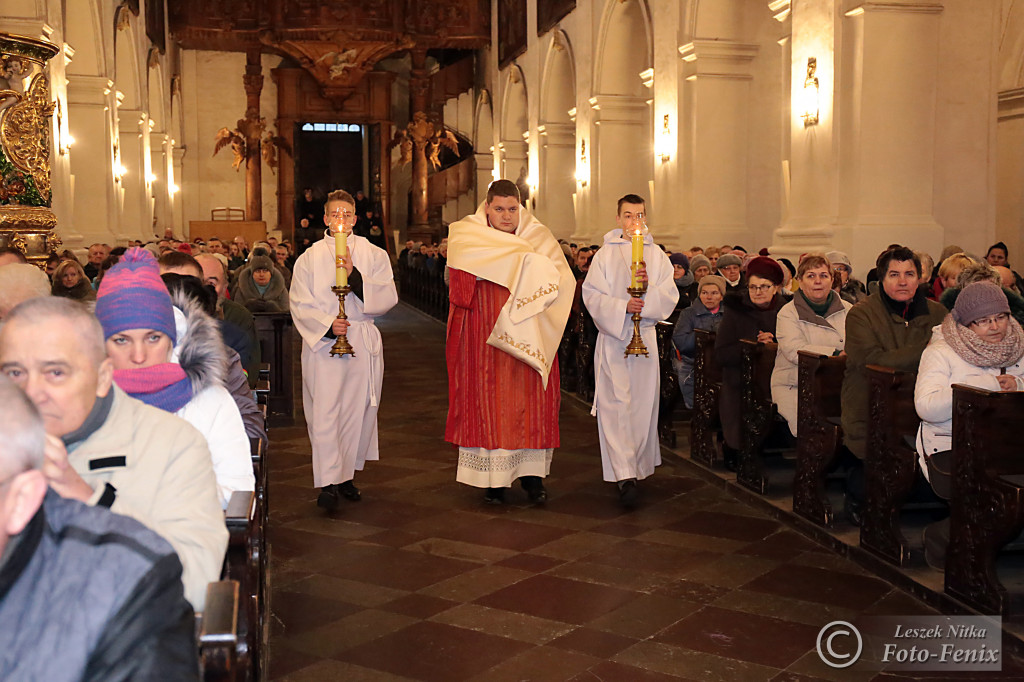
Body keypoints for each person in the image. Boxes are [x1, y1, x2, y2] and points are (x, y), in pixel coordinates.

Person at [0, 296, 226, 609]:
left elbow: (197, 584)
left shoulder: (172, 444)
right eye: (14, 374)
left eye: (55, 373)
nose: (31, 393)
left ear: (102, 377)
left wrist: (86, 497)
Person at [0, 376, 198, 681]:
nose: (138, 354)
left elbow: (199, 570)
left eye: (55, 372)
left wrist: (83, 490)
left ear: (20, 500)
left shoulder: (131, 583)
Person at [446, 180, 574, 505]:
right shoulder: (467, 236)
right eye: (499, 209)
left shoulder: (538, 238)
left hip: (531, 333)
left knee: (531, 406)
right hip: (485, 337)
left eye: (512, 209)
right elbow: (459, 294)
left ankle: (533, 478)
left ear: (521, 209)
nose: (506, 216)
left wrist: (533, 273)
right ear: (487, 208)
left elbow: (563, 282)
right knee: (491, 404)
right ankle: (494, 481)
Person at [96, 248, 254, 508]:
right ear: (100, 344)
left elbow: (237, 490)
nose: (139, 355)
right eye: (121, 339)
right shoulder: (78, 402)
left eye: (153, 338)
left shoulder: (209, 401)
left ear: (173, 339)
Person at [291, 189, 398, 511]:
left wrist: (356, 277)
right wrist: (326, 325)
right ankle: (326, 482)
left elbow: (388, 295)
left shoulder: (373, 254)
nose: (341, 220)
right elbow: (298, 301)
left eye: (346, 214)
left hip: (361, 341)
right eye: (334, 214)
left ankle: (346, 475)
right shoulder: (309, 258)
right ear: (325, 219)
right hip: (323, 346)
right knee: (324, 412)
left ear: (354, 218)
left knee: (357, 410)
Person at [914, 282, 1024, 569]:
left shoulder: (1019, 346)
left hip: (1008, 445)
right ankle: (942, 537)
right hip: (951, 444)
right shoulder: (941, 352)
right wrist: (985, 386)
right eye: (984, 321)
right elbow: (926, 407)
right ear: (966, 323)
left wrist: (1019, 384)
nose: (995, 327)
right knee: (988, 494)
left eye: (1000, 317)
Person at [582, 194, 678, 505]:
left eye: (639, 215)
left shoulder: (657, 255)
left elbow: (670, 294)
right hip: (614, 339)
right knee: (615, 405)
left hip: (645, 337)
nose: (634, 222)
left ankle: (636, 467)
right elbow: (591, 295)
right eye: (628, 215)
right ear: (618, 218)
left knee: (640, 405)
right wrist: (622, 306)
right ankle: (623, 475)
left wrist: (645, 299)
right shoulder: (604, 255)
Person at [841, 245, 946, 524]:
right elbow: (870, 361)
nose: (903, 281)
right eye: (894, 274)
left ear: (920, 277)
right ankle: (859, 498)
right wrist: (929, 350)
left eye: (910, 274)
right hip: (870, 404)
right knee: (872, 466)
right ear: (881, 279)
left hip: (922, 404)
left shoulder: (938, 313)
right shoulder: (861, 314)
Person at [715, 256, 787, 469]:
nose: (758, 292)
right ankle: (733, 447)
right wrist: (752, 345)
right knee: (741, 394)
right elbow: (721, 353)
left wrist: (774, 343)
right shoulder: (735, 310)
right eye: (753, 287)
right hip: (740, 375)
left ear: (776, 288)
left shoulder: (787, 311)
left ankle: (774, 444)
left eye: (764, 286)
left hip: (776, 374)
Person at [770, 254, 853, 437]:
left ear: (832, 280)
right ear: (799, 280)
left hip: (838, 384)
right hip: (795, 384)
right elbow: (794, 350)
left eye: (823, 276)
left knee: (857, 424)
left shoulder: (849, 310)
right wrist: (837, 354)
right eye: (811, 276)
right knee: (813, 430)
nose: (818, 281)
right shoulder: (788, 313)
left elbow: (858, 343)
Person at [195, 254, 262, 388]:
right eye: (198, 282)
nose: (204, 289)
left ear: (225, 286)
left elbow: (248, 374)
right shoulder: (172, 315)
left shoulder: (239, 318)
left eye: (211, 283)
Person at [672, 274, 725, 409]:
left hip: (721, 364)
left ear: (721, 296)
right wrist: (704, 334)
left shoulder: (729, 314)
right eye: (704, 293)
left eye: (714, 293)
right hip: (693, 361)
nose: (709, 297)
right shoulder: (688, 313)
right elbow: (681, 342)